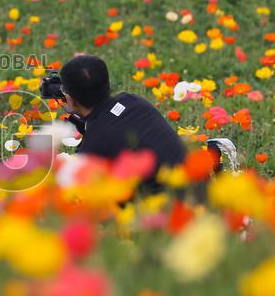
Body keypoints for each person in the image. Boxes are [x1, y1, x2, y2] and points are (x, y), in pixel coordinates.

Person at [55, 54, 186, 193]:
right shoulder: (135, 102)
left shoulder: (91, 150)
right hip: (196, 186)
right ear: (107, 84)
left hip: (164, 208)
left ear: (71, 99)